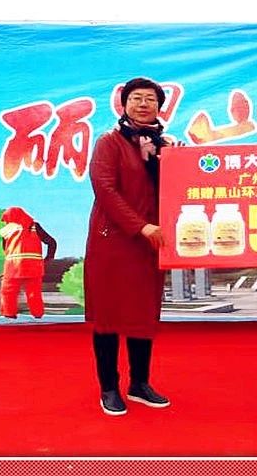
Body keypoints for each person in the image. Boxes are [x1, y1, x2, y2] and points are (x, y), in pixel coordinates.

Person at [84, 77, 171, 416]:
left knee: (143, 314)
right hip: (113, 242)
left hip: (151, 243)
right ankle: (109, 387)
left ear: (159, 106)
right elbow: (105, 190)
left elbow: (177, 189)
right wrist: (140, 226)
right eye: (136, 98)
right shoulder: (109, 142)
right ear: (124, 104)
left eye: (150, 99)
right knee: (108, 317)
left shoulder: (165, 145)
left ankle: (140, 384)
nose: (143, 104)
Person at [0, 206, 56, 319]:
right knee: (34, 292)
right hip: (34, 267)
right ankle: (38, 315)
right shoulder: (35, 226)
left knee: (8, 292)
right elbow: (52, 242)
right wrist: (49, 257)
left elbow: (5, 249)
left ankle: (9, 314)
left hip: (13, 268)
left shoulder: (7, 229)